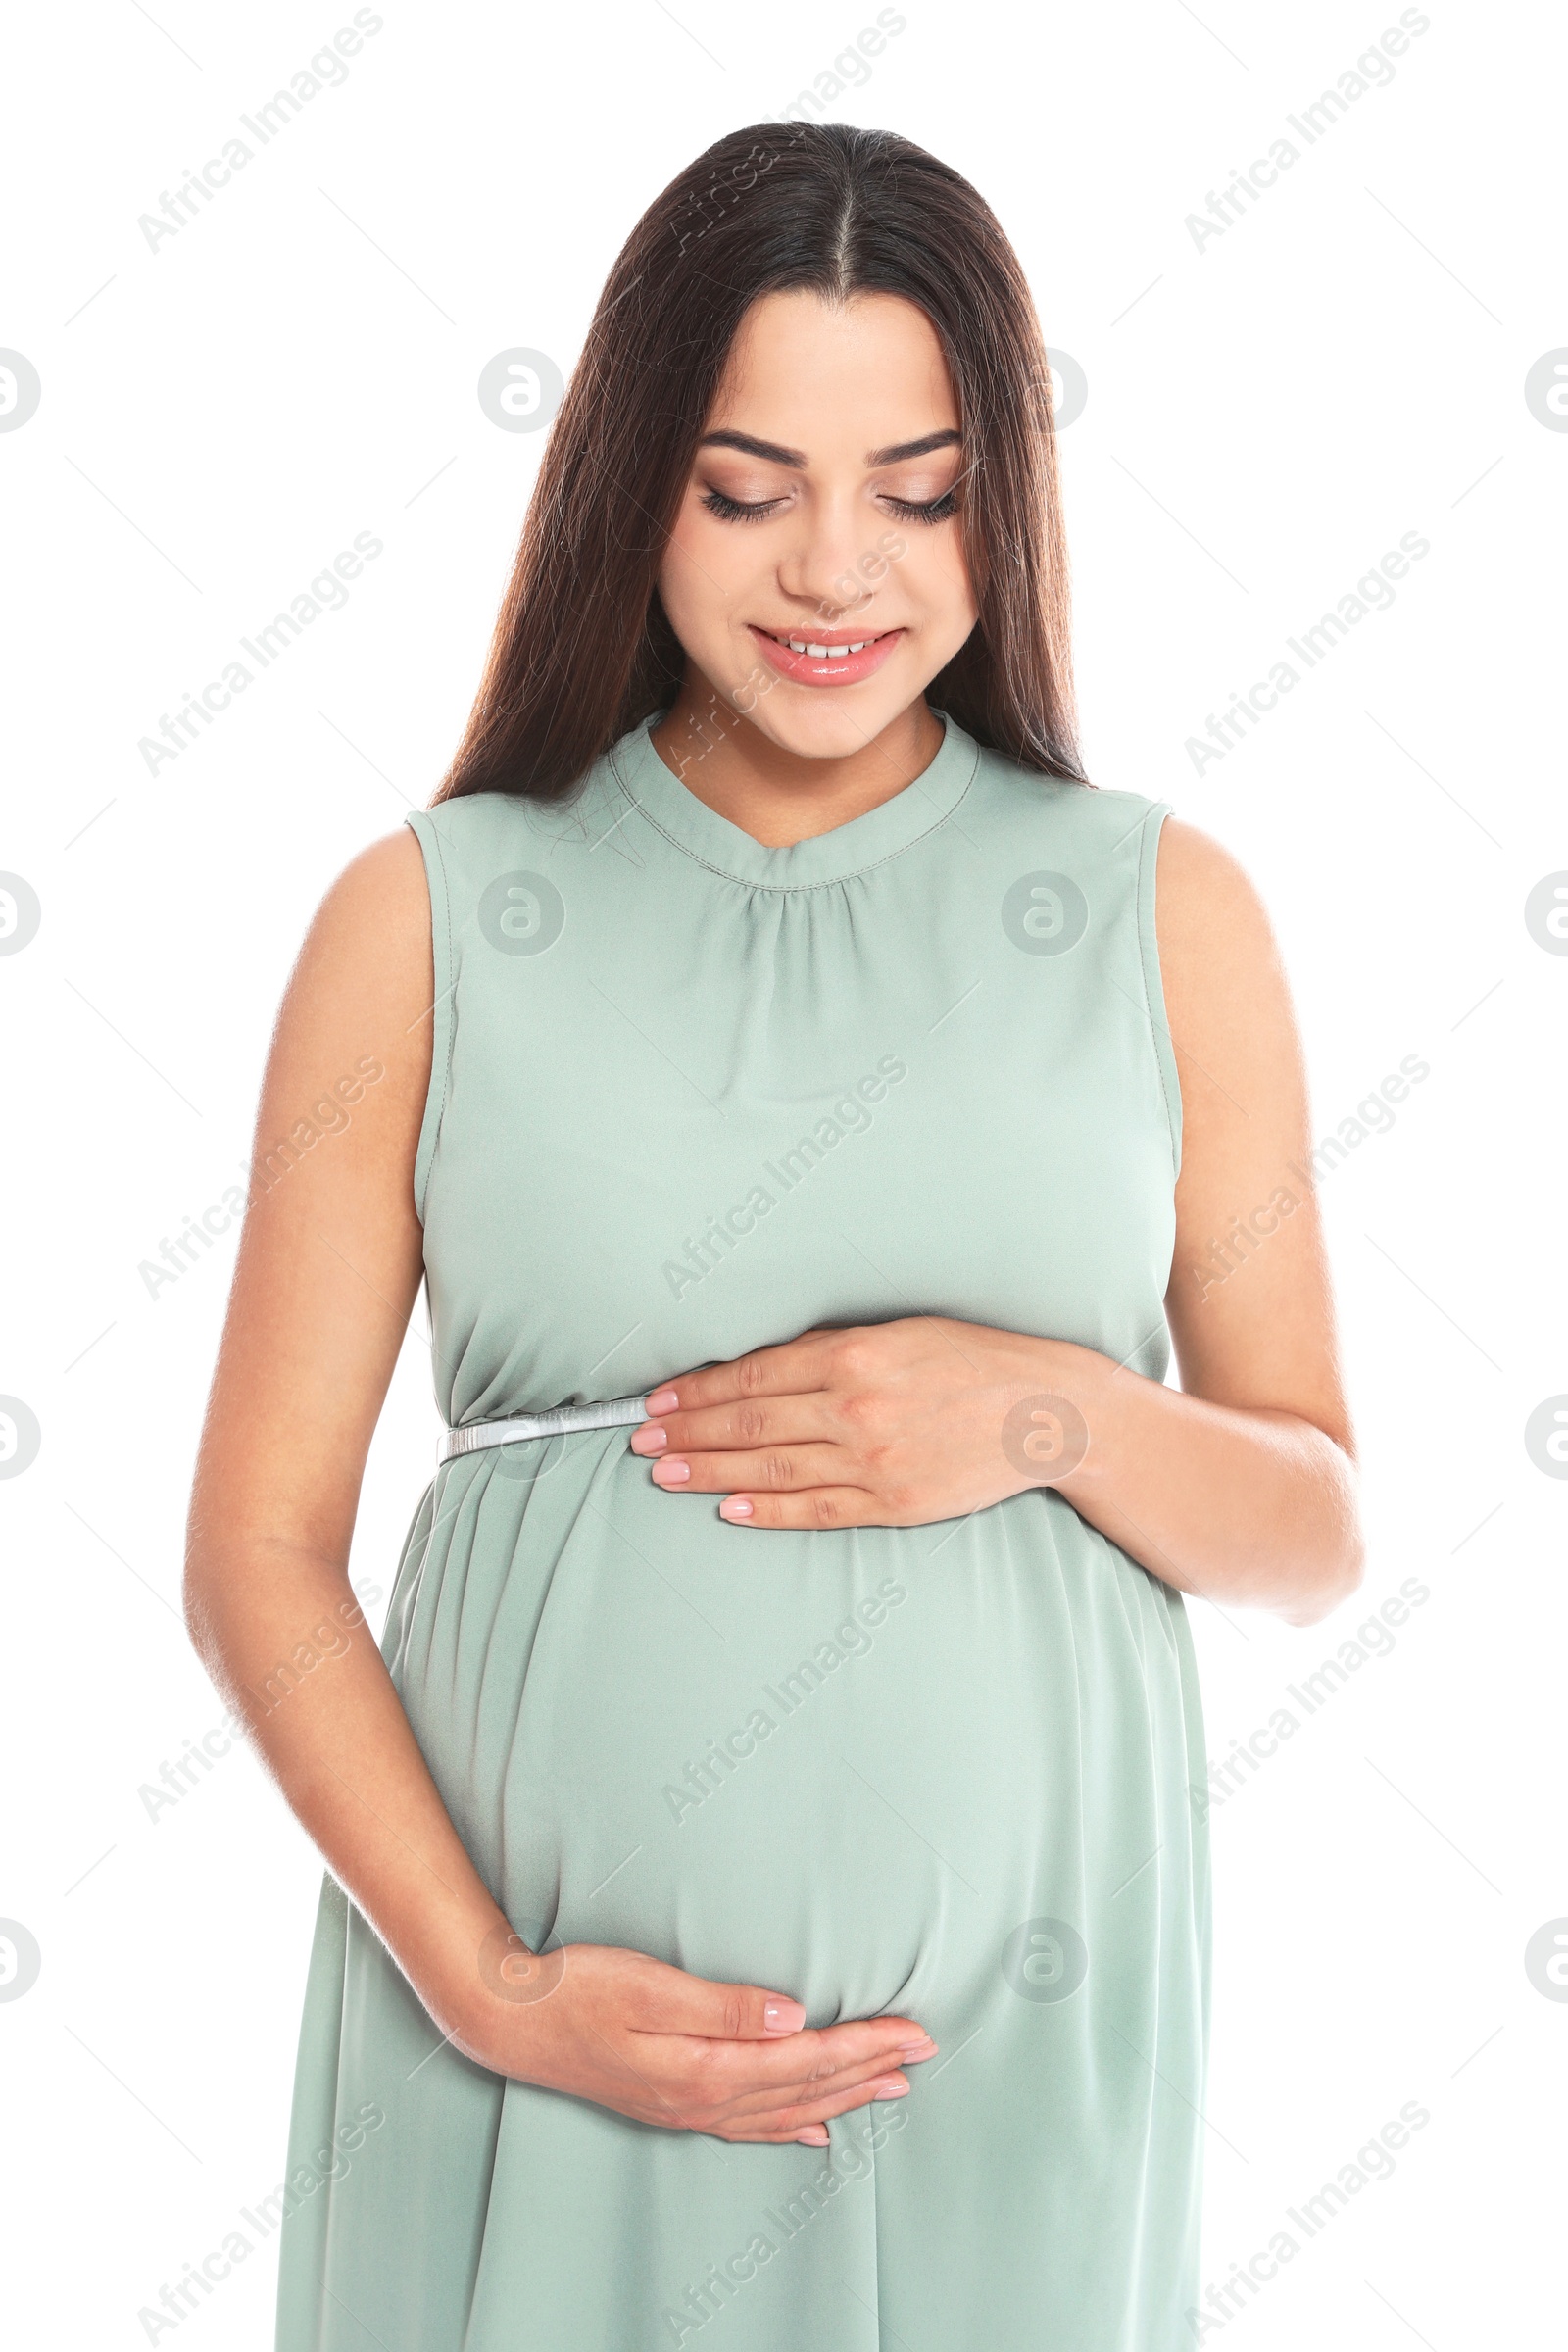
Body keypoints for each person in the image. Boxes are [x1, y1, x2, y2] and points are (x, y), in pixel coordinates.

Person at [184, 121, 1363, 2352]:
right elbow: (252, 1543)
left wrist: (1038, 1413)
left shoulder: (1155, 910)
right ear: (633, 481)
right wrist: (494, 1986)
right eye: (746, 487)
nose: (836, 568)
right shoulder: (429, 919)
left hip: (1025, 2071)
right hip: (533, 2069)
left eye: (915, 490)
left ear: (1000, 497)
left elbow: (1307, 1523)